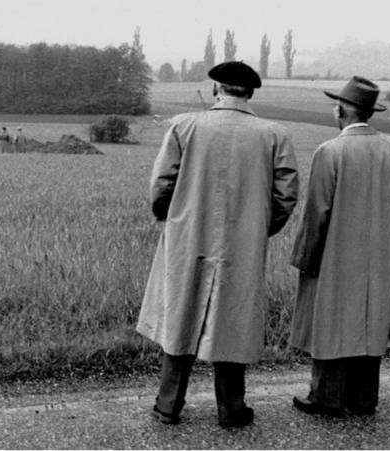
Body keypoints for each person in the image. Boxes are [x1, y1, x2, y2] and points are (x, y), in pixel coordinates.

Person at [136, 61, 299, 428]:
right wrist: (259, 228)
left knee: (180, 313)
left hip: (186, 235)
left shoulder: (184, 125)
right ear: (251, 93)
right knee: (234, 318)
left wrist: (172, 219)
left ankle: (167, 406)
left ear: (215, 90)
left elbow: (162, 184)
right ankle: (231, 409)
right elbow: (286, 195)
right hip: (244, 240)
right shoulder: (275, 134)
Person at [289, 76, 390, 417]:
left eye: (335, 104)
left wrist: (306, 259)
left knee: (330, 323)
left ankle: (326, 397)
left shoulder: (330, 151)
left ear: (342, 110)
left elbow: (317, 213)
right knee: (371, 324)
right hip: (383, 258)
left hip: (336, 257)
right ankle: (363, 399)